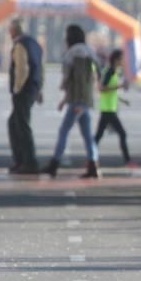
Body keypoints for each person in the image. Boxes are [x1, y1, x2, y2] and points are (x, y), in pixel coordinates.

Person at [43, 24, 99, 179]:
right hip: (81, 100)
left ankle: (54, 163)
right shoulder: (89, 51)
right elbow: (88, 79)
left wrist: (79, 101)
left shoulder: (76, 53)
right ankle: (93, 164)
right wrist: (66, 99)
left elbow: (79, 80)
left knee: (64, 131)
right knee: (87, 134)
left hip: (78, 101)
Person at [7, 19, 43, 174]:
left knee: (21, 126)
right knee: (15, 123)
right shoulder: (34, 43)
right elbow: (40, 67)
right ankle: (22, 160)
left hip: (23, 90)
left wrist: (17, 89)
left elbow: (22, 68)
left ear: (14, 30)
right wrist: (39, 88)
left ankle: (28, 162)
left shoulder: (20, 45)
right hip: (33, 88)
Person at [94, 49, 133, 166]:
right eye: (122, 59)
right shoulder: (110, 71)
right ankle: (127, 161)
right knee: (122, 133)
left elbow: (111, 91)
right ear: (116, 60)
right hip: (108, 109)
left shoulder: (114, 71)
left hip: (109, 108)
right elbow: (102, 88)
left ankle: (91, 159)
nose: (123, 61)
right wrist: (120, 86)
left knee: (98, 136)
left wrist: (122, 100)